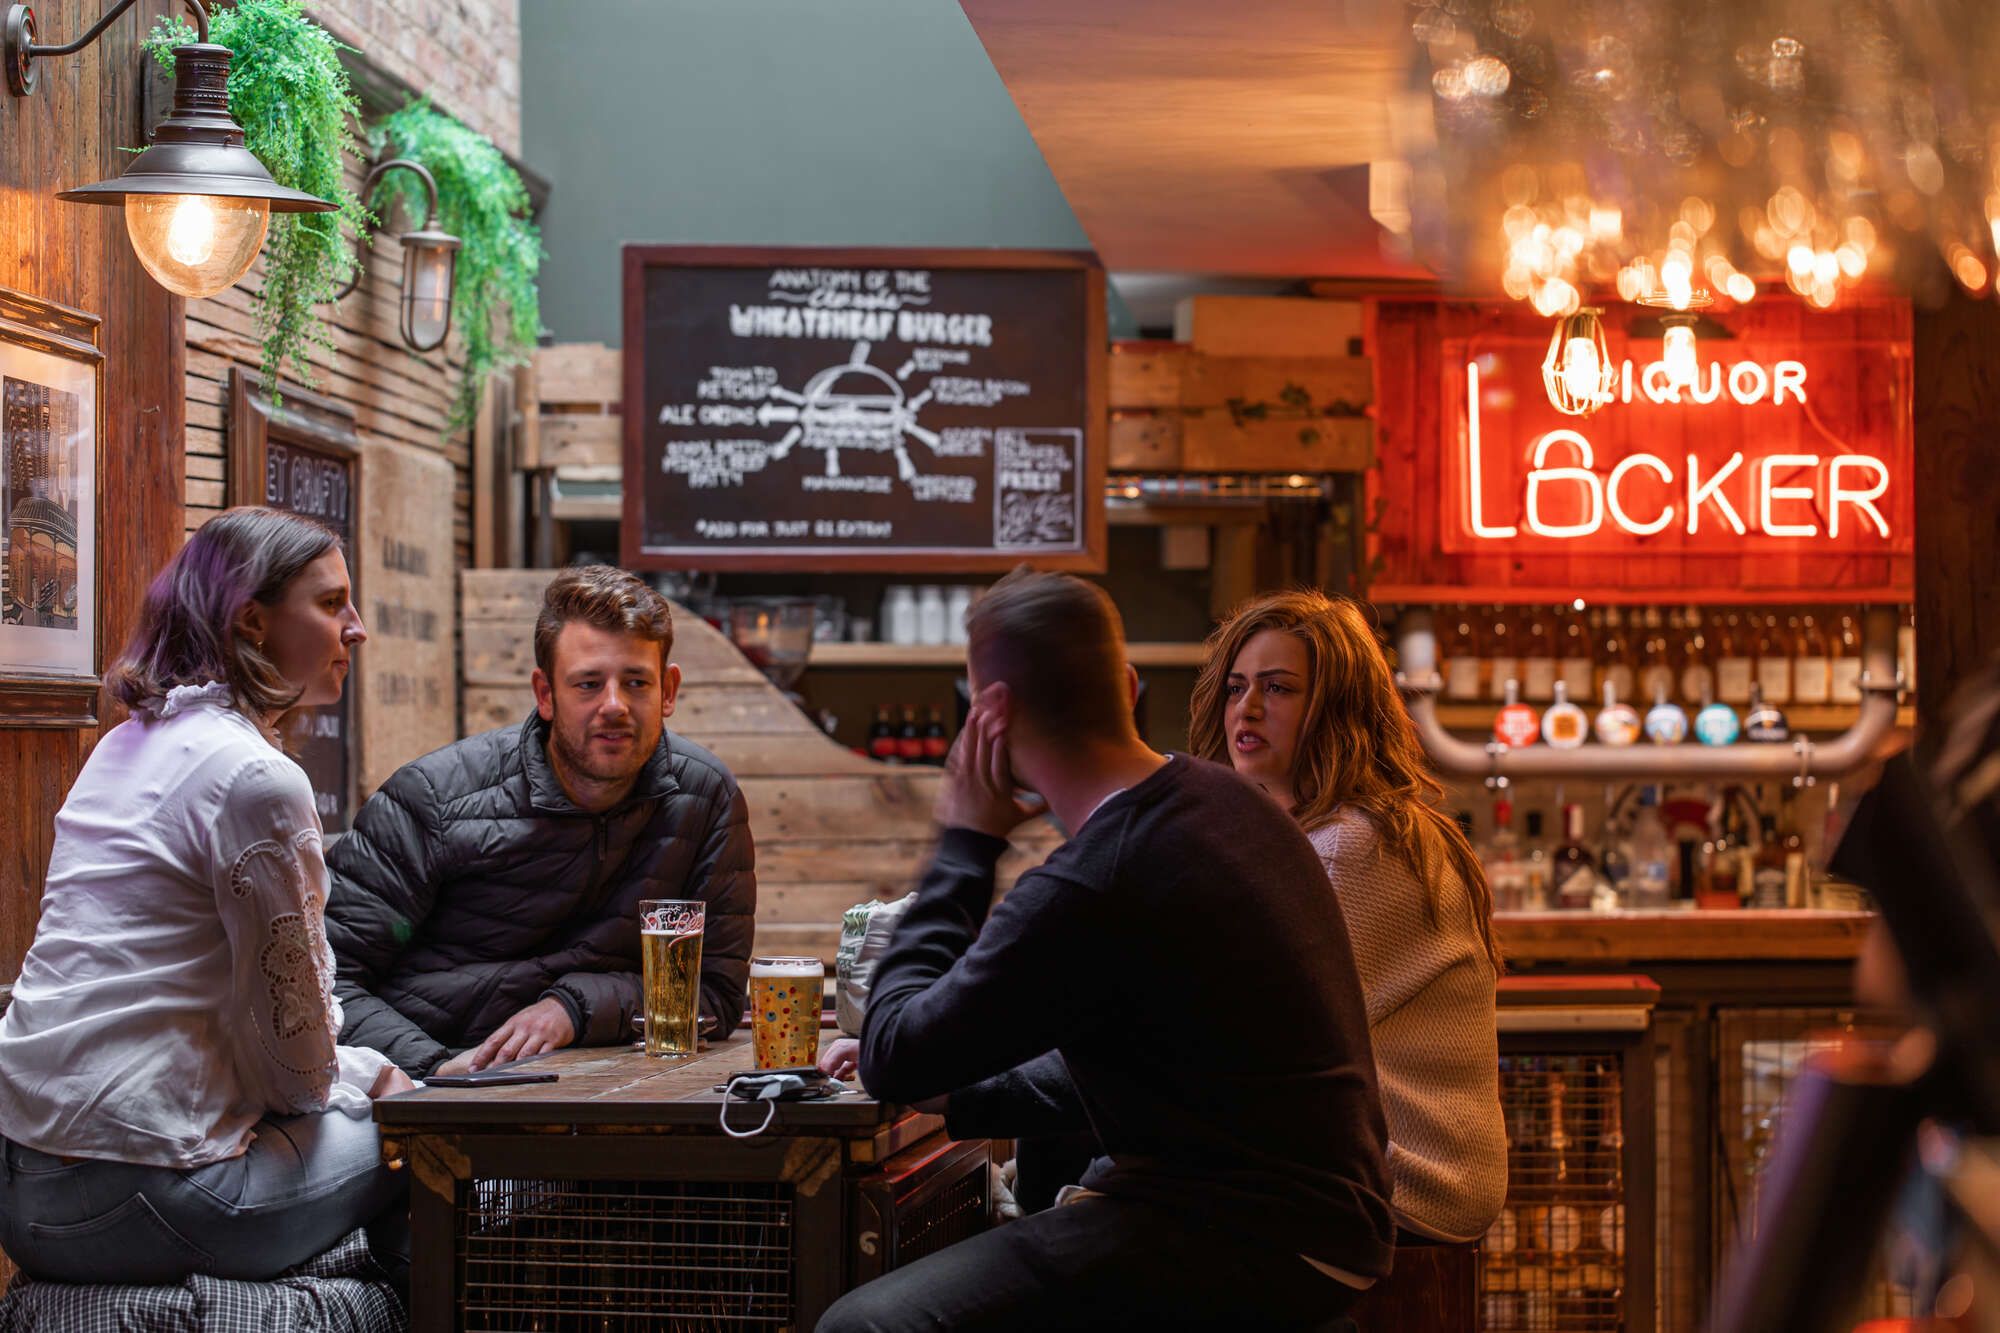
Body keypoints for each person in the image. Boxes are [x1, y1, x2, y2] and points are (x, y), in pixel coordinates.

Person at [817, 568, 1392, 1332]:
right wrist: (960, 1094)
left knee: (861, 1324)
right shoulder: (1223, 804)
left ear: (991, 713)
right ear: (1126, 686)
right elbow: (1157, 1057)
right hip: (1333, 1230)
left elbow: (894, 1054)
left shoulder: (1097, 877)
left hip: (1246, 1236)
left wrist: (966, 842)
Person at [0, 507, 410, 1284]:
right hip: (148, 1198)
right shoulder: (255, 777)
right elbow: (298, 1075)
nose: (356, 629)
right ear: (252, 621)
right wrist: (379, 1078)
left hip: (23, 1198)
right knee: (426, 1136)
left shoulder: (122, 744)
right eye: (331, 603)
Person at [325, 564, 754, 1078]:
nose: (614, 705)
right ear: (545, 694)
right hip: (426, 1079)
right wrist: (436, 1071)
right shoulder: (431, 799)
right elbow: (321, 985)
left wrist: (575, 1008)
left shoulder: (704, 797)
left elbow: (715, 995)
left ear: (668, 690)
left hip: (607, 1085)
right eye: (588, 684)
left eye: (636, 682)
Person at [1189, 589, 1507, 1249]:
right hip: (1349, 1168)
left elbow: (1240, 1037)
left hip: (1404, 1185)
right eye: (1237, 686)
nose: (1247, 707)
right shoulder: (1311, 835)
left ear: (1338, 708)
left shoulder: (1353, 846)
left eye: (1278, 688)